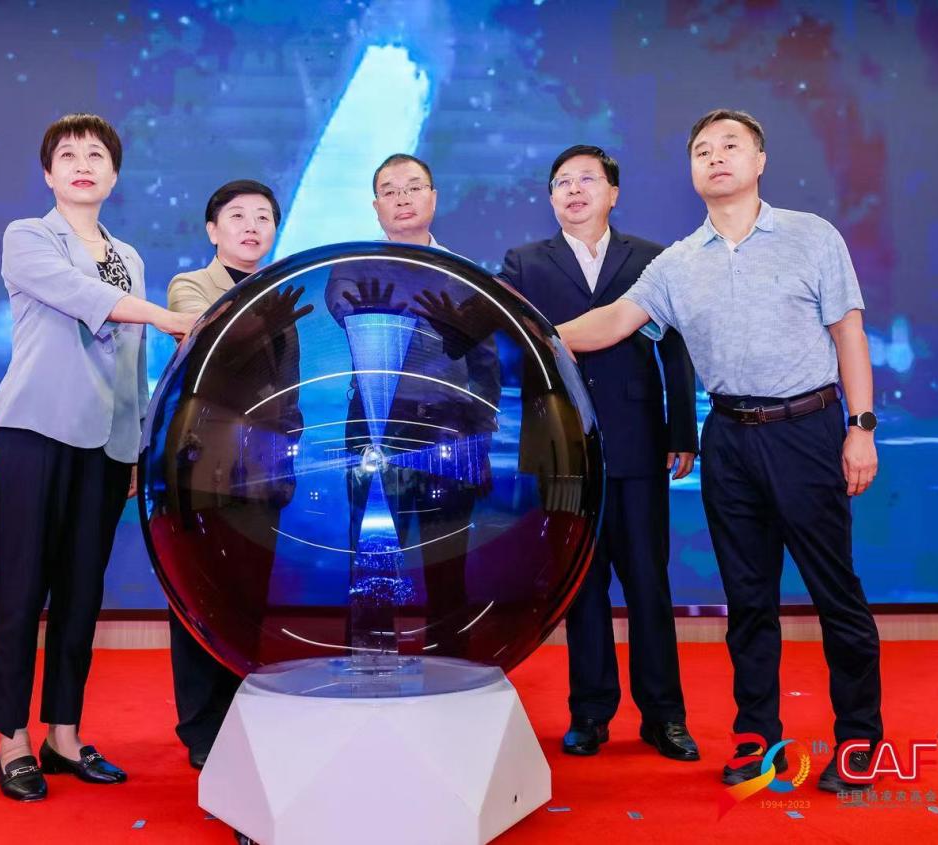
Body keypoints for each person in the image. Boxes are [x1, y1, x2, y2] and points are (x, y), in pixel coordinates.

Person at [555, 109, 882, 793]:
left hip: (807, 429)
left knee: (835, 593)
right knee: (748, 600)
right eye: (701, 149)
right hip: (728, 439)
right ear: (691, 171)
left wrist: (861, 427)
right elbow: (612, 322)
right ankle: (757, 740)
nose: (715, 157)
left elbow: (848, 332)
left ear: (759, 161)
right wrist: (527, 329)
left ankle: (859, 741)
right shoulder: (677, 262)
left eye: (730, 145)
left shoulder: (811, 236)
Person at [0, 113, 196, 801]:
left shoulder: (127, 255)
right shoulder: (28, 237)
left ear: (114, 173)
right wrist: (164, 317)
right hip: (35, 431)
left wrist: (135, 446)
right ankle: (11, 740)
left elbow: (132, 362)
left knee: (82, 592)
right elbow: (82, 297)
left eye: (97, 154)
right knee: (22, 588)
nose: (83, 164)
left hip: (106, 445)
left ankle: (64, 734)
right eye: (69, 155)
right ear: (48, 173)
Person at [497, 145, 700, 761]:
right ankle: (590, 713)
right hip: (561, 450)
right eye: (562, 182)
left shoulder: (651, 257)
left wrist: (682, 430)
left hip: (638, 440)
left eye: (587, 179)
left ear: (613, 192)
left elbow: (675, 348)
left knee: (648, 583)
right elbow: (509, 345)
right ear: (551, 198)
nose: (574, 190)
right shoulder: (524, 263)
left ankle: (664, 716)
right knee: (581, 587)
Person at [324, 153, 500, 658]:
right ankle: (369, 670)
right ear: (376, 206)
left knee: (447, 564)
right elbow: (343, 304)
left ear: (433, 197)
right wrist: (373, 315)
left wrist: (479, 442)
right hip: (376, 431)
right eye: (390, 190)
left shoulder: (467, 274)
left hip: (449, 433)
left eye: (413, 187)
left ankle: (452, 674)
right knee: (373, 562)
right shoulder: (353, 265)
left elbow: (486, 364)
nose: (402, 198)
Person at [165, 180, 301, 770]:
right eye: (237, 216)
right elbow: (207, 343)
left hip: (264, 471)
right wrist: (263, 317)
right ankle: (201, 727)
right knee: (203, 595)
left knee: (250, 597)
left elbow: (287, 389)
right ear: (212, 230)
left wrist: (290, 448)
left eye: (263, 217)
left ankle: (243, 716)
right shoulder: (191, 285)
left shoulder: (280, 296)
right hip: (208, 468)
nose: (251, 226)